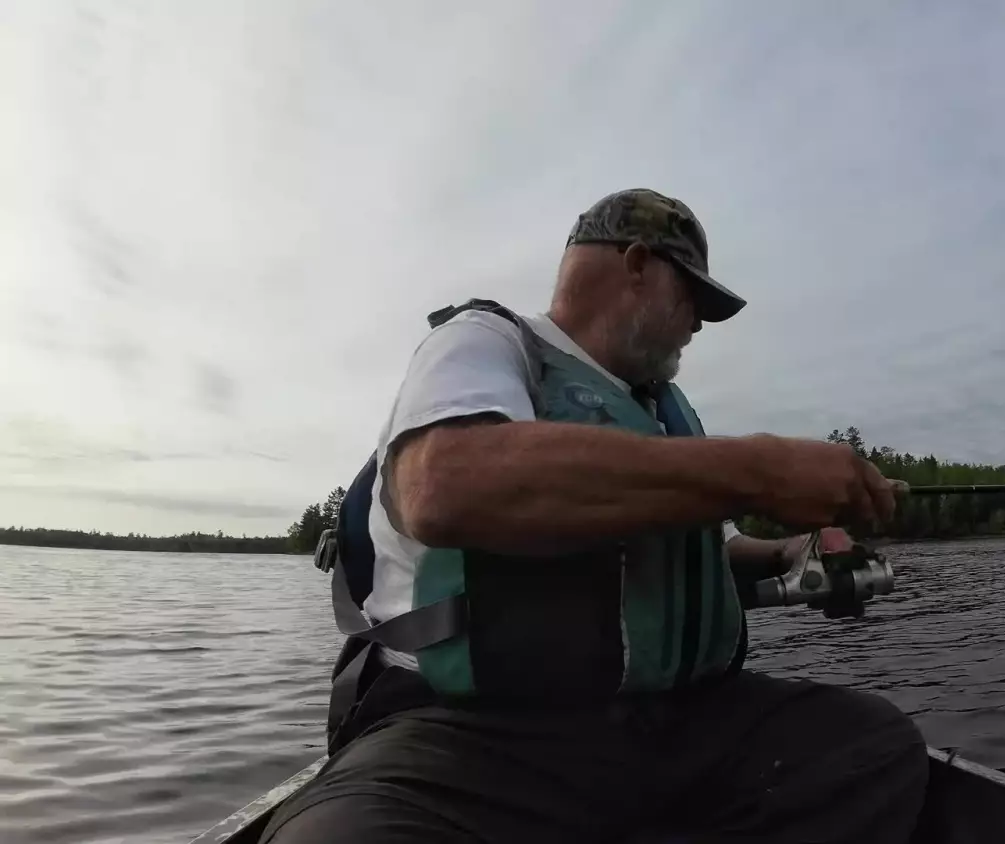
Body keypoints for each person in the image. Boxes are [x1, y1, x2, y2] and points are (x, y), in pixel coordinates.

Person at [259, 188, 929, 844]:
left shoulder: (665, 411)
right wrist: (760, 470)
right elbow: (445, 485)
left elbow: (713, 549)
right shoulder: (485, 343)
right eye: (691, 297)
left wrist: (794, 551)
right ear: (636, 265)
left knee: (875, 750)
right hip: (475, 733)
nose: (697, 323)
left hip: (674, 725)